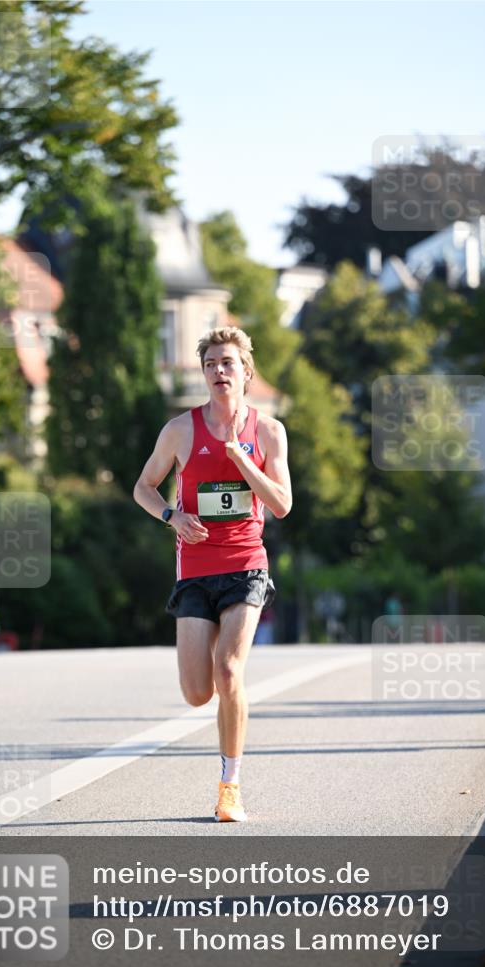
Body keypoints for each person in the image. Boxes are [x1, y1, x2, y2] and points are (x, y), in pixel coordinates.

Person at [133, 326, 292, 822]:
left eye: (228, 363)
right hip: (195, 569)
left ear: (247, 372)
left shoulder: (268, 432)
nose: (219, 372)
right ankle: (219, 709)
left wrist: (245, 464)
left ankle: (230, 785)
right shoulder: (180, 430)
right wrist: (171, 517)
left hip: (245, 564)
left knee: (229, 670)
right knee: (198, 691)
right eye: (210, 365)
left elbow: (282, 505)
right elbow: (144, 487)